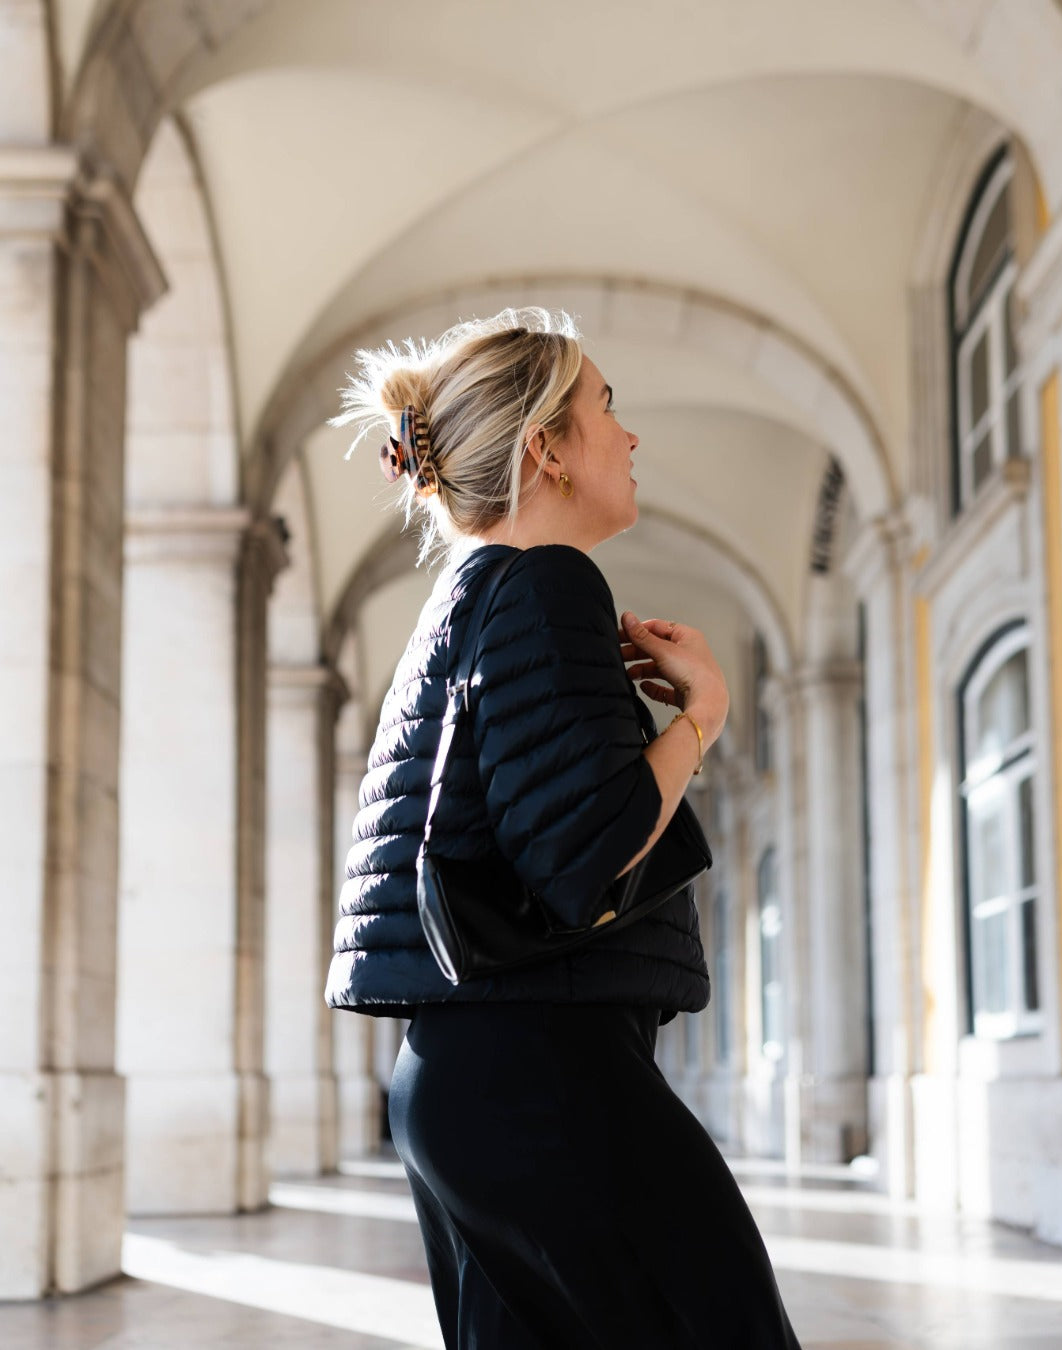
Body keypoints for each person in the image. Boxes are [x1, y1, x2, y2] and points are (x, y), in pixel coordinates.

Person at [324, 308, 802, 1349]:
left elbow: (547, 843)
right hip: (543, 1072)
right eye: (607, 409)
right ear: (544, 447)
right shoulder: (543, 583)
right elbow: (584, 857)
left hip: (468, 1073)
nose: (629, 438)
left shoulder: (468, 597)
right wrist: (702, 719)